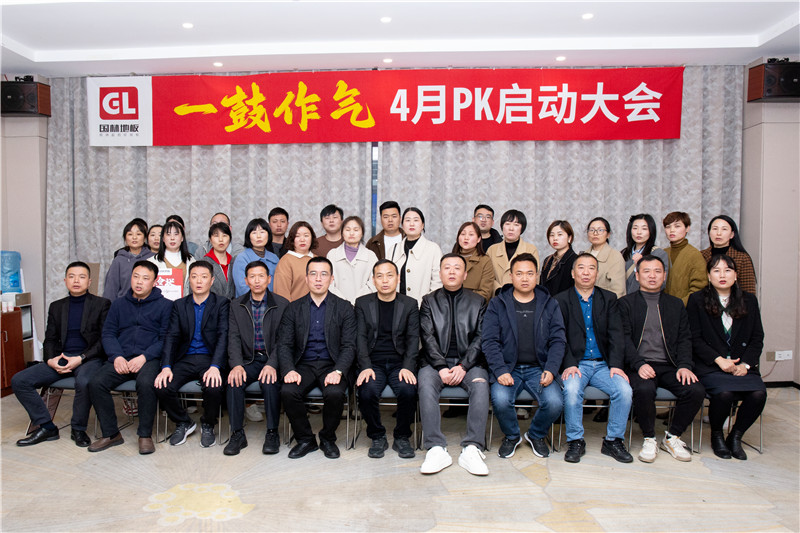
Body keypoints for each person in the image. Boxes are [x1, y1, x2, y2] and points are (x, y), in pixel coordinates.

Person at [13, 262, 111, 447]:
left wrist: (81, 358)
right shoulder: (56, 306)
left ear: (89, 281)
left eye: (82, 277)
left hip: (88, 358)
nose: (76, 280)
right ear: (65, 280)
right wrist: (51, 360)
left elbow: (104, 340)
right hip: (61, 358)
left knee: (84, 382)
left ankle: (78, 429)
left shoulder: (102, 304)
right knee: (20, 380)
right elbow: (50, 339)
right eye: (72, 276)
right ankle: (47, 427)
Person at [619, 255, 705, 463]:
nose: (652, 276)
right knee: (644, 389)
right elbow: (623, 339)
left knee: (695, 390)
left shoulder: (675, 304)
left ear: (664, 276)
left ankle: (672, 437)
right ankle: (649, 438)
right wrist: (639, 364)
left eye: (657, 271)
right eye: (646, 271)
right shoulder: (625, 304)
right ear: (637, 276)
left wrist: (684, 365)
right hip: (638, 364)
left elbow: (685, 338)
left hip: (670, 365)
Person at [482, 253, 565, 459]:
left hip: (539, 367)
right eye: (519, 274)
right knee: (501, 400)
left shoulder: (550, 303)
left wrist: (551, 369)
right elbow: (489, 341)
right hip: (508, 368)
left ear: (537, 276)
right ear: (511, 276)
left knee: (555, 402)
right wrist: (500, 370)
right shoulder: (498, 303)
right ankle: (512, 436)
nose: (525, 278)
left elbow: (558, 340)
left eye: (529, 273)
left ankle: (535, 435)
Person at [554, 253, 633, 464]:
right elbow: (558, 337)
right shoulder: (560, 300)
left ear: (597, 273)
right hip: (576, 364)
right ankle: (575, 440)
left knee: (624, 390)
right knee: (571, 390)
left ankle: (613, 441)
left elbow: (617, 335)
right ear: (573, 273)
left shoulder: (609, 299)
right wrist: (569, 363)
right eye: (581, 268)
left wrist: (616, 365)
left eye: (591, 268)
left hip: (603, 364)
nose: (586, 272)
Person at [88, 261, 173, 454]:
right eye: (136, 276)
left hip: (148, 358)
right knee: (96, 382)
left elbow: (166, 339)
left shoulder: (166, 306)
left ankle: (144, 435)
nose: (139, 282)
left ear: (155, 282)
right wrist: (117, 356)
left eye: (145, 278)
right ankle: (111, 434)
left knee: (146, 383)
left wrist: (144, 357)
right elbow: (108, 333)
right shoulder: (118, 304)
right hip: (122, 357)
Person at [687, 254, 765, 460]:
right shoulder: (697, 300)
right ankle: (717, 436)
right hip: (710, 365)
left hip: (742, 366)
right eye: (716, 270)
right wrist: (718, 360)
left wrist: (745, 365)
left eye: (727, 270)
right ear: (708, 275)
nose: (722, 275)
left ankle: (736, 436)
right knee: (724, 394)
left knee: (758, 394)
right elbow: (693, 338)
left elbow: (757, 338)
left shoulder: (749, 300)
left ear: (736, 275)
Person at [277, 257, 357, 459]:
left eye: (323, 274)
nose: (318, 279)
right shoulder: (293, 308)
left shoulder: (344, 307)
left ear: (331, 279)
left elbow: (349, 345)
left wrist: (338, 371)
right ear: (306, 278)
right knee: (288, 391)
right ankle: (305, 439)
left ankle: (328, 438)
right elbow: (284, 344)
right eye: (313, 274)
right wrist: (289, 369)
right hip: (303, 364)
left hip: (332, 364)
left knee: (335, 393)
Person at [418, 254, 490, 476]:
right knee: (425, 384)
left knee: (481, 385)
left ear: (465, 274)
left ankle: (472, 448)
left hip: (469, 363)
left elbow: (481, 337)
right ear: (440, 273)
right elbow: (427, 337)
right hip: (434, 363)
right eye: (447, 267)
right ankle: (435, 448)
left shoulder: (478, 301)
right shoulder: (428, 301)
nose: (451, 271)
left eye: (457, 268)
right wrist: (441, 366)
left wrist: (463, 366)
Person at [153, 261, 229, 448]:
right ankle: (184, 422)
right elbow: (171, 337)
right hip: (185, 358)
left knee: (213, 387)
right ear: (189, 280)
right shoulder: (179, 305)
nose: (199, 281)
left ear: (212, 280)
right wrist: (166, 366)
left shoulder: (221, 304)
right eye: (194, 277)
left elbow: (223, 336)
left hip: (209, 358)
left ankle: (208, 424)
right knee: (162, 386)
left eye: (204, 277)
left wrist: (215, 366)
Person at [354, 259, 419, 459]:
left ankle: (402, 436)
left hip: (400, 363)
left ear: (398, 278)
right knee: (367, 392)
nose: (385, 280)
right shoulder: (362, 303)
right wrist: (365, 365)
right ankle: (377, 436)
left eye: (389, 275)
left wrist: (408, 366)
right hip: (373, 363)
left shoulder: (410, 304)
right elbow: (360, 338)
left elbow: (413, 339)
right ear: (373, 280)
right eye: (379, 276)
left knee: (408, 390)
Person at [224, 261, 289, 456]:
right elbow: (233, 338)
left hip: (272, 360)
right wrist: (236, 365)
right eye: (252, 277)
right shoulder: (236, 305)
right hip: (248, 360)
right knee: (233, 382)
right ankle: (237, 434)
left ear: (269, 279)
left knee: (270, 383)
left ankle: (272, 432)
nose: (257, 280)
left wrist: (272, 364)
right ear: (246, 281)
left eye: (261, 276)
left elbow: (284, 341)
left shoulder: (282, 304)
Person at [387, 207, 443, 306]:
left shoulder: (433, 249)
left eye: (416, 220)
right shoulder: (393, 249)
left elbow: (437, 283)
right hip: (395, 307)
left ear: (422, 225)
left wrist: (427, 306)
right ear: (402, 225)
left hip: (423, 307)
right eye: (408, 220)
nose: (411, 224)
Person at [700, 215, 757, 295]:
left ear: (732, 234)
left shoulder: (742, 258)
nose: (718, 233)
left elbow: (749, 291)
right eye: (715, 229)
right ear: (709, 233)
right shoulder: (700, 255)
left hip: (734, 301)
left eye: (724, 229)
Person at [328, 215, 378, 304]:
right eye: (347, 230)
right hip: (337, 304)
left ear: (362, 233)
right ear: (342, 233)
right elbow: (328, 282)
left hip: (364, 304)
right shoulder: (332, 254)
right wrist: (343, 302)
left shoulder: (370, 255)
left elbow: (373, 282)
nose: (351, 233)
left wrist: (358, 301)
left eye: (356, 230)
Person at [486, 209, 540, 293]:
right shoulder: (492, 250)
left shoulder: (530, 249)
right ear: (502, 226)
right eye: (507, 224)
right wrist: (498, 290)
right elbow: (487, 276)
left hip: (522, 295)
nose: (511, 228)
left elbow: (534, 277)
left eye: (516, 225)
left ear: (522, 228)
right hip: (498, 295)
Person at [102, 218, 154, 302]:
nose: (134, 237)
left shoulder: (153, 258)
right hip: (124, 304)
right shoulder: (118, 260)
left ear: (145, 238)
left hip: (149, 304)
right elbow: (111, 288)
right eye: (130, 234)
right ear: (125, 238)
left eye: (138, 234)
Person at [662, 211, 707, 305]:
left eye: (677, 226)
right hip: (662, 308)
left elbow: (699, 288)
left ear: (687, 228)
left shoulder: (695, 255)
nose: (672, 230)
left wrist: (679, 305)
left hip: (685, 309)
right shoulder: (662, 253)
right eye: (668, 226)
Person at [231, 218, 280, 297]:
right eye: (254, 233)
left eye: (262, 232)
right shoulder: (242, 258)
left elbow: (279, 286)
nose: (258, 236)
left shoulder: (274, 258)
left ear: (268, 235)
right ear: (248, 237)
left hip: (273, 303)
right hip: (249, 303)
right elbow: (242, 288)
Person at [621, 214, 669, 295]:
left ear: (651, 231)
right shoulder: (623, 253)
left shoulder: (658, 254)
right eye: (635, 228)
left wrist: (640, 265)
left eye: (644, 228)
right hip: (623, 300)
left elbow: (662, 284)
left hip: (645, 299)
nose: (639, 232)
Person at [148, 220, 196, 300]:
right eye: (168, 234)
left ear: (182, 238)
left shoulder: (192, 261)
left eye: (176, 234)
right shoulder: (151, 262)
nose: (172, 238)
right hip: (160, 304)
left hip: (184, 304)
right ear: (163, 238)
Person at [274, 221, 318, 301]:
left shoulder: (318, 260)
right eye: (297, 236)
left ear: (312, 238)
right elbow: (281, 295)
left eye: (306, 235)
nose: (302, 239)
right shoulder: (286, 261)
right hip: (295, 308)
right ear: (292, 239)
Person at [452, 221, 494, 302]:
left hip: (474, 306)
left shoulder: (485, 260)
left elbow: (485, 292)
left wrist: (462, 300)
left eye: (471, 234)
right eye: (463, 234)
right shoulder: (450, 259)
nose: (466, 238)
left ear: (478, 239)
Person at [585, 217, 626, 298]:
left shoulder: (615, 256)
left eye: (600, 230)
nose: (595, 233)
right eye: (592, 230)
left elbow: (618, 291)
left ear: (608, 234)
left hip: (606, 303)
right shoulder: (583, 255)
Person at [540, 220, 577, 297]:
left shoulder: (576, 260)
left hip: (564, 303)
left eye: (560, 234)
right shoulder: (548, 260)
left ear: (569, 238)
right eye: (552, 235)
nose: (555, 238)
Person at [204, 221, 235, 299]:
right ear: (210, 240)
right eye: (216, 236)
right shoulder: (204, 263)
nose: (221, 240)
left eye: (224, 236)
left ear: (230, 239)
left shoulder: (235, 262)